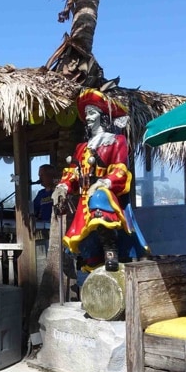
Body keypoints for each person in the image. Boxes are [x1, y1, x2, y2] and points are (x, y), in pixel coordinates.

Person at [52, 88, 148, 273]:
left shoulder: (117, 141)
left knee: (99, 199)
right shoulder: (81, 148)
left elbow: (120, 169)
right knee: (88, 244)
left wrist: (103, 183)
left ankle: (111, 250)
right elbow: (74, 173)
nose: (88, 117)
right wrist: (63, 186)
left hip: (106, 194)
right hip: (84, 198)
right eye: (86, 114)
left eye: (92, 113)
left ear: (102, 116)